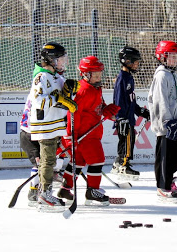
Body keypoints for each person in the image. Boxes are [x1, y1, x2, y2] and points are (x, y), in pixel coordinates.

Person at [60, 56, 120, 206]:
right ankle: (92, 191)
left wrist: (106, 111)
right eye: (96, 75)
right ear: (85, 74)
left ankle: (65, 189)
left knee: (79, 161)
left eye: (100, 74)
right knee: (97, 160)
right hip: (85, 135)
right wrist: (71, 136)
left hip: (91, 132)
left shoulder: (96, 88)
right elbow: (73, 113)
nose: (99, 77)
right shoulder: (84, 90)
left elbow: (98, 106)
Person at [29, 42, 78, 211]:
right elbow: (39, 101)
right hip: (45, 125)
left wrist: (70, 91)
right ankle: (44, 193)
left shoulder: (56, 77)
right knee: (48, 160)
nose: (63, 63)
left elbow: (64, 97)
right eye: (60, 59)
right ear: (50, 60)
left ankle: (43, 191)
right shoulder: (41, 77)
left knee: (52, 160)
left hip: (55, 125)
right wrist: (60, 98)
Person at [148, 40, 177, 203]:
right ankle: (162, 187)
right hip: (167, 126)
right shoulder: (162, 75)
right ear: (162, 57)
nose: (175, 59)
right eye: (171, 56)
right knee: (165, 157)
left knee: (174, 158)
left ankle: (169, 181)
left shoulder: (174, 75)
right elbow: (160, 100)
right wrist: (167, 120)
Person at [111, 46, 151, 180]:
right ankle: (124, 165)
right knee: (127, 141)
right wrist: (120, 117)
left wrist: (140, 111)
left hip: (128, 117)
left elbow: (130, 100)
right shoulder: (122, 78)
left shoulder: (128, 77)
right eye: (135, 62)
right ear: (127, 61)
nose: (137, 64)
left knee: (127, 141)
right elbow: (118, 100)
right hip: (124, 119)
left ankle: (118, 163)